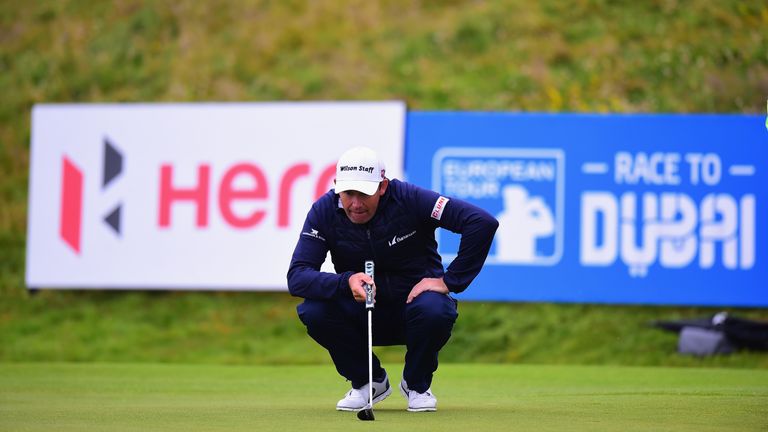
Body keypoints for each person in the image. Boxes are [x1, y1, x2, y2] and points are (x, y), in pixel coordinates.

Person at [287, 146, 498, 412]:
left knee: (435, 308)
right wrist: (347, 281)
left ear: (383, 186)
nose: (355, 203)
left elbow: (481, 222)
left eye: (364, 194)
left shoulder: (411, 199)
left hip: (414, 312)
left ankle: (416, 385)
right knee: (314, 309)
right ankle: (368, 382)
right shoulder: (324, 211)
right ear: (337, 186)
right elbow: (297, 277)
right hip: (361, 314)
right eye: (348, 193)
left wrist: (449, 282)